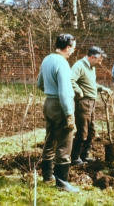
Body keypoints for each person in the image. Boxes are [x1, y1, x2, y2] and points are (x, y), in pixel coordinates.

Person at [37, 33, 79, 192]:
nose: (73, 52)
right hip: (62, 105)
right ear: (67, 48)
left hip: (49, 103)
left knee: (50, 138)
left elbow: (40, 83)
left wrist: (50, 91)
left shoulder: (47, 59)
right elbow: (64, 91)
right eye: (73, 49)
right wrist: (69, 115)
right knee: (64, 142)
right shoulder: (62, 63)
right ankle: (62, 183)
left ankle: (47, 176)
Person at [71, 46, 113, 165]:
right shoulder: (79, 66)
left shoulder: (91, 67)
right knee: (82, 131)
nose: (100, 63)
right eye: (99, 60)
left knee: (92, 130)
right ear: (92, 57)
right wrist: (78, 91)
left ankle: (85, 156)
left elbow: (91, 84)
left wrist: (102, 88)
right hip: (83, 102)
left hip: (92, 103)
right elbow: (70, 80)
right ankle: (75, 157)